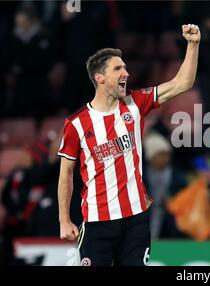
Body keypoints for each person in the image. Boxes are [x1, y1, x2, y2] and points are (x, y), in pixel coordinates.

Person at [57, 24, 200, 266]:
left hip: (135, 220)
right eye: (118, 69)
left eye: (125, 67)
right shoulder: (76, 124)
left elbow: (182, 83)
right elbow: (66, 174)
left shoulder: (135, 104)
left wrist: (193, 44)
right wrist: (64, 219)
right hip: (97, 223)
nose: (126, 73)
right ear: (100, 78)